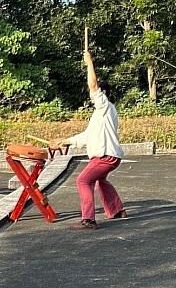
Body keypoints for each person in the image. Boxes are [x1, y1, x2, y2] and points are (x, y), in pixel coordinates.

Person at [52, 48, 126, 230]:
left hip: (104, 157)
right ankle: (117, 210)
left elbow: (93, 86)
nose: (92, 95)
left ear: (103, 94)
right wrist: (65, 141)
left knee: (83, 181)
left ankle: (89, 219)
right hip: (110, 156)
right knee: (100, 180)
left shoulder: (105, 106)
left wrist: (89, 63)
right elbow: (87, 135)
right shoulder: (103, 113)